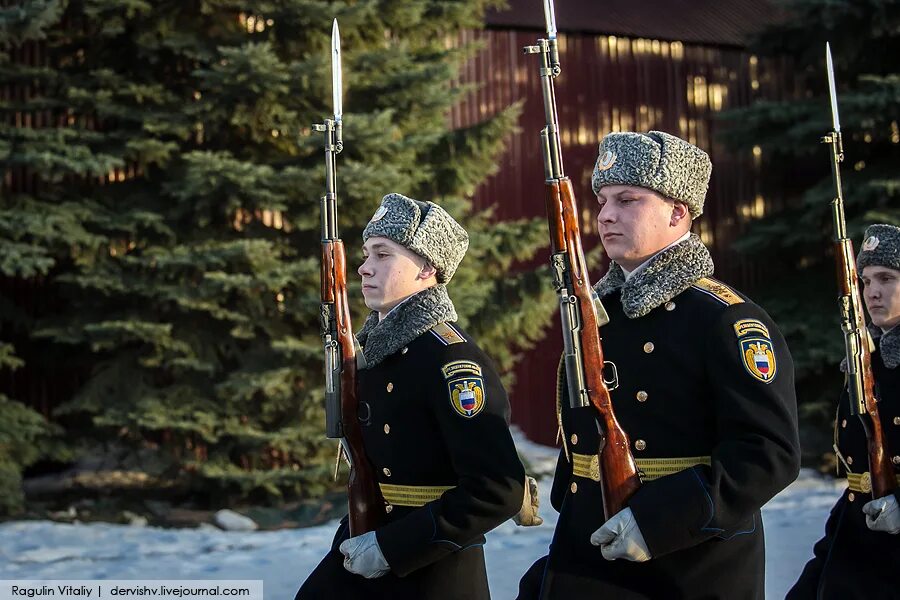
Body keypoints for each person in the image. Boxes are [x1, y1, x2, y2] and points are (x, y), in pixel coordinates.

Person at [517, 131, 801, 599]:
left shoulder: (725, 317)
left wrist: (657, 522)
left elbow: (768, 453)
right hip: (589, 550)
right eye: (603, 200)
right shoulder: (599, 314)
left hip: (686, 563)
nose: (606, 214)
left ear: (678, 212)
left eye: (628, 200)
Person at [296, 193, 528, 600]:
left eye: (383, 255)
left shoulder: (451, 359)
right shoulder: (375, 354)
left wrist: (392, 548)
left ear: (426, 268)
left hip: (431, 570)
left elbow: (497, 489)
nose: (364, 268)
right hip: (367, 540)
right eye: (366, 254)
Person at [787, 223, 900, 599]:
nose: (873, 292)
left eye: (886, 278)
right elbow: (857, 482)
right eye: (866, 281)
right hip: (855, 549)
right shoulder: (867, 365)